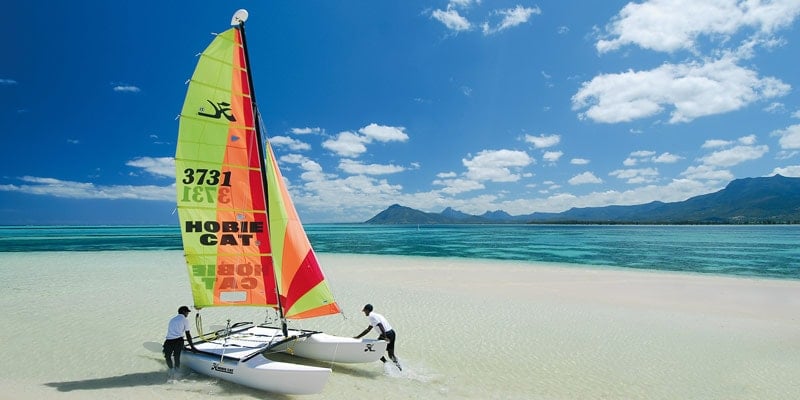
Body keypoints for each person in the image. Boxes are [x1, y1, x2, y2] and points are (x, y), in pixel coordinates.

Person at [354, 303, 401, 370]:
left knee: (375, 351)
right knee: (391, 355)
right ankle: (399, 368)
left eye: (364, 311)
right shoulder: (376, 315)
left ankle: (387, 364)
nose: (364, 312)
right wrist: (358, 337)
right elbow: (368, 329)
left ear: (367, 310)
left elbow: (380, 325)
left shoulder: (371, 316)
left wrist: (385, 337)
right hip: (392, 333)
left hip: (386, 334)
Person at [163, 305, 197, 375]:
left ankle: (171, 370)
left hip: (168, 341)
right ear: (184, 312)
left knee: (168, 357)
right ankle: (177, 371)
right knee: (176, 357)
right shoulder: (185, 320)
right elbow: (188, 334)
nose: (187, 314)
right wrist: (192, 347)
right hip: (178, 341)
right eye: (187, 312)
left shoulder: (172, 319)